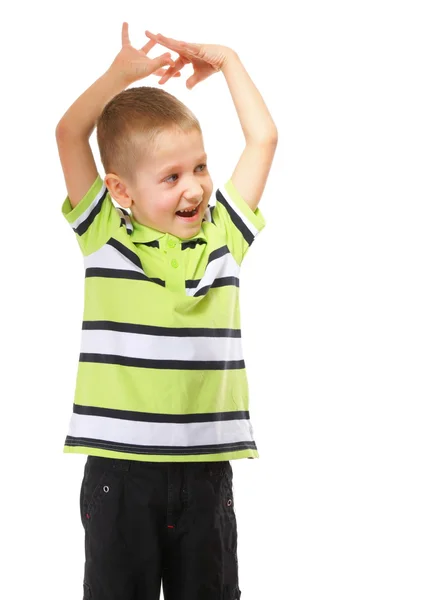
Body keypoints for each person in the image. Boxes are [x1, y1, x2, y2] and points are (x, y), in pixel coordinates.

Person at [55, 22, 277, 600]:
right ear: (122, 192)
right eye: (172, 176)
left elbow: (264, 140)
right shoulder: (104, 234)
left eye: (200, 167)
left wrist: (228, 61)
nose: (195, 189)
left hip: (206, 476)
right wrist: (119, 76)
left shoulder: (223, 236)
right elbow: (68, 133)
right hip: (119, 478)